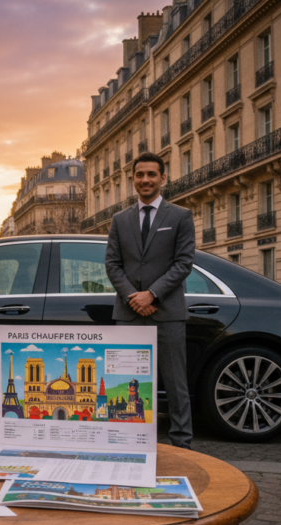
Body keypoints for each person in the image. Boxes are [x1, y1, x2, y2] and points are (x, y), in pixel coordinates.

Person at [105, 152, 195, 449]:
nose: (145, 179)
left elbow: (183, 263)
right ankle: (127, 442)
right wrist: (135, 298)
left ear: (163, 178)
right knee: (126, 382)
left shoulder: (180, 216)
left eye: (151, 174)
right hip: (129, 313)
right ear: (133, 179)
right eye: (140, 174)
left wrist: (152, 294)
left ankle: (182, 444)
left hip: (167, 312)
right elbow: (112, 265)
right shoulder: (120, 220)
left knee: (176, 383)